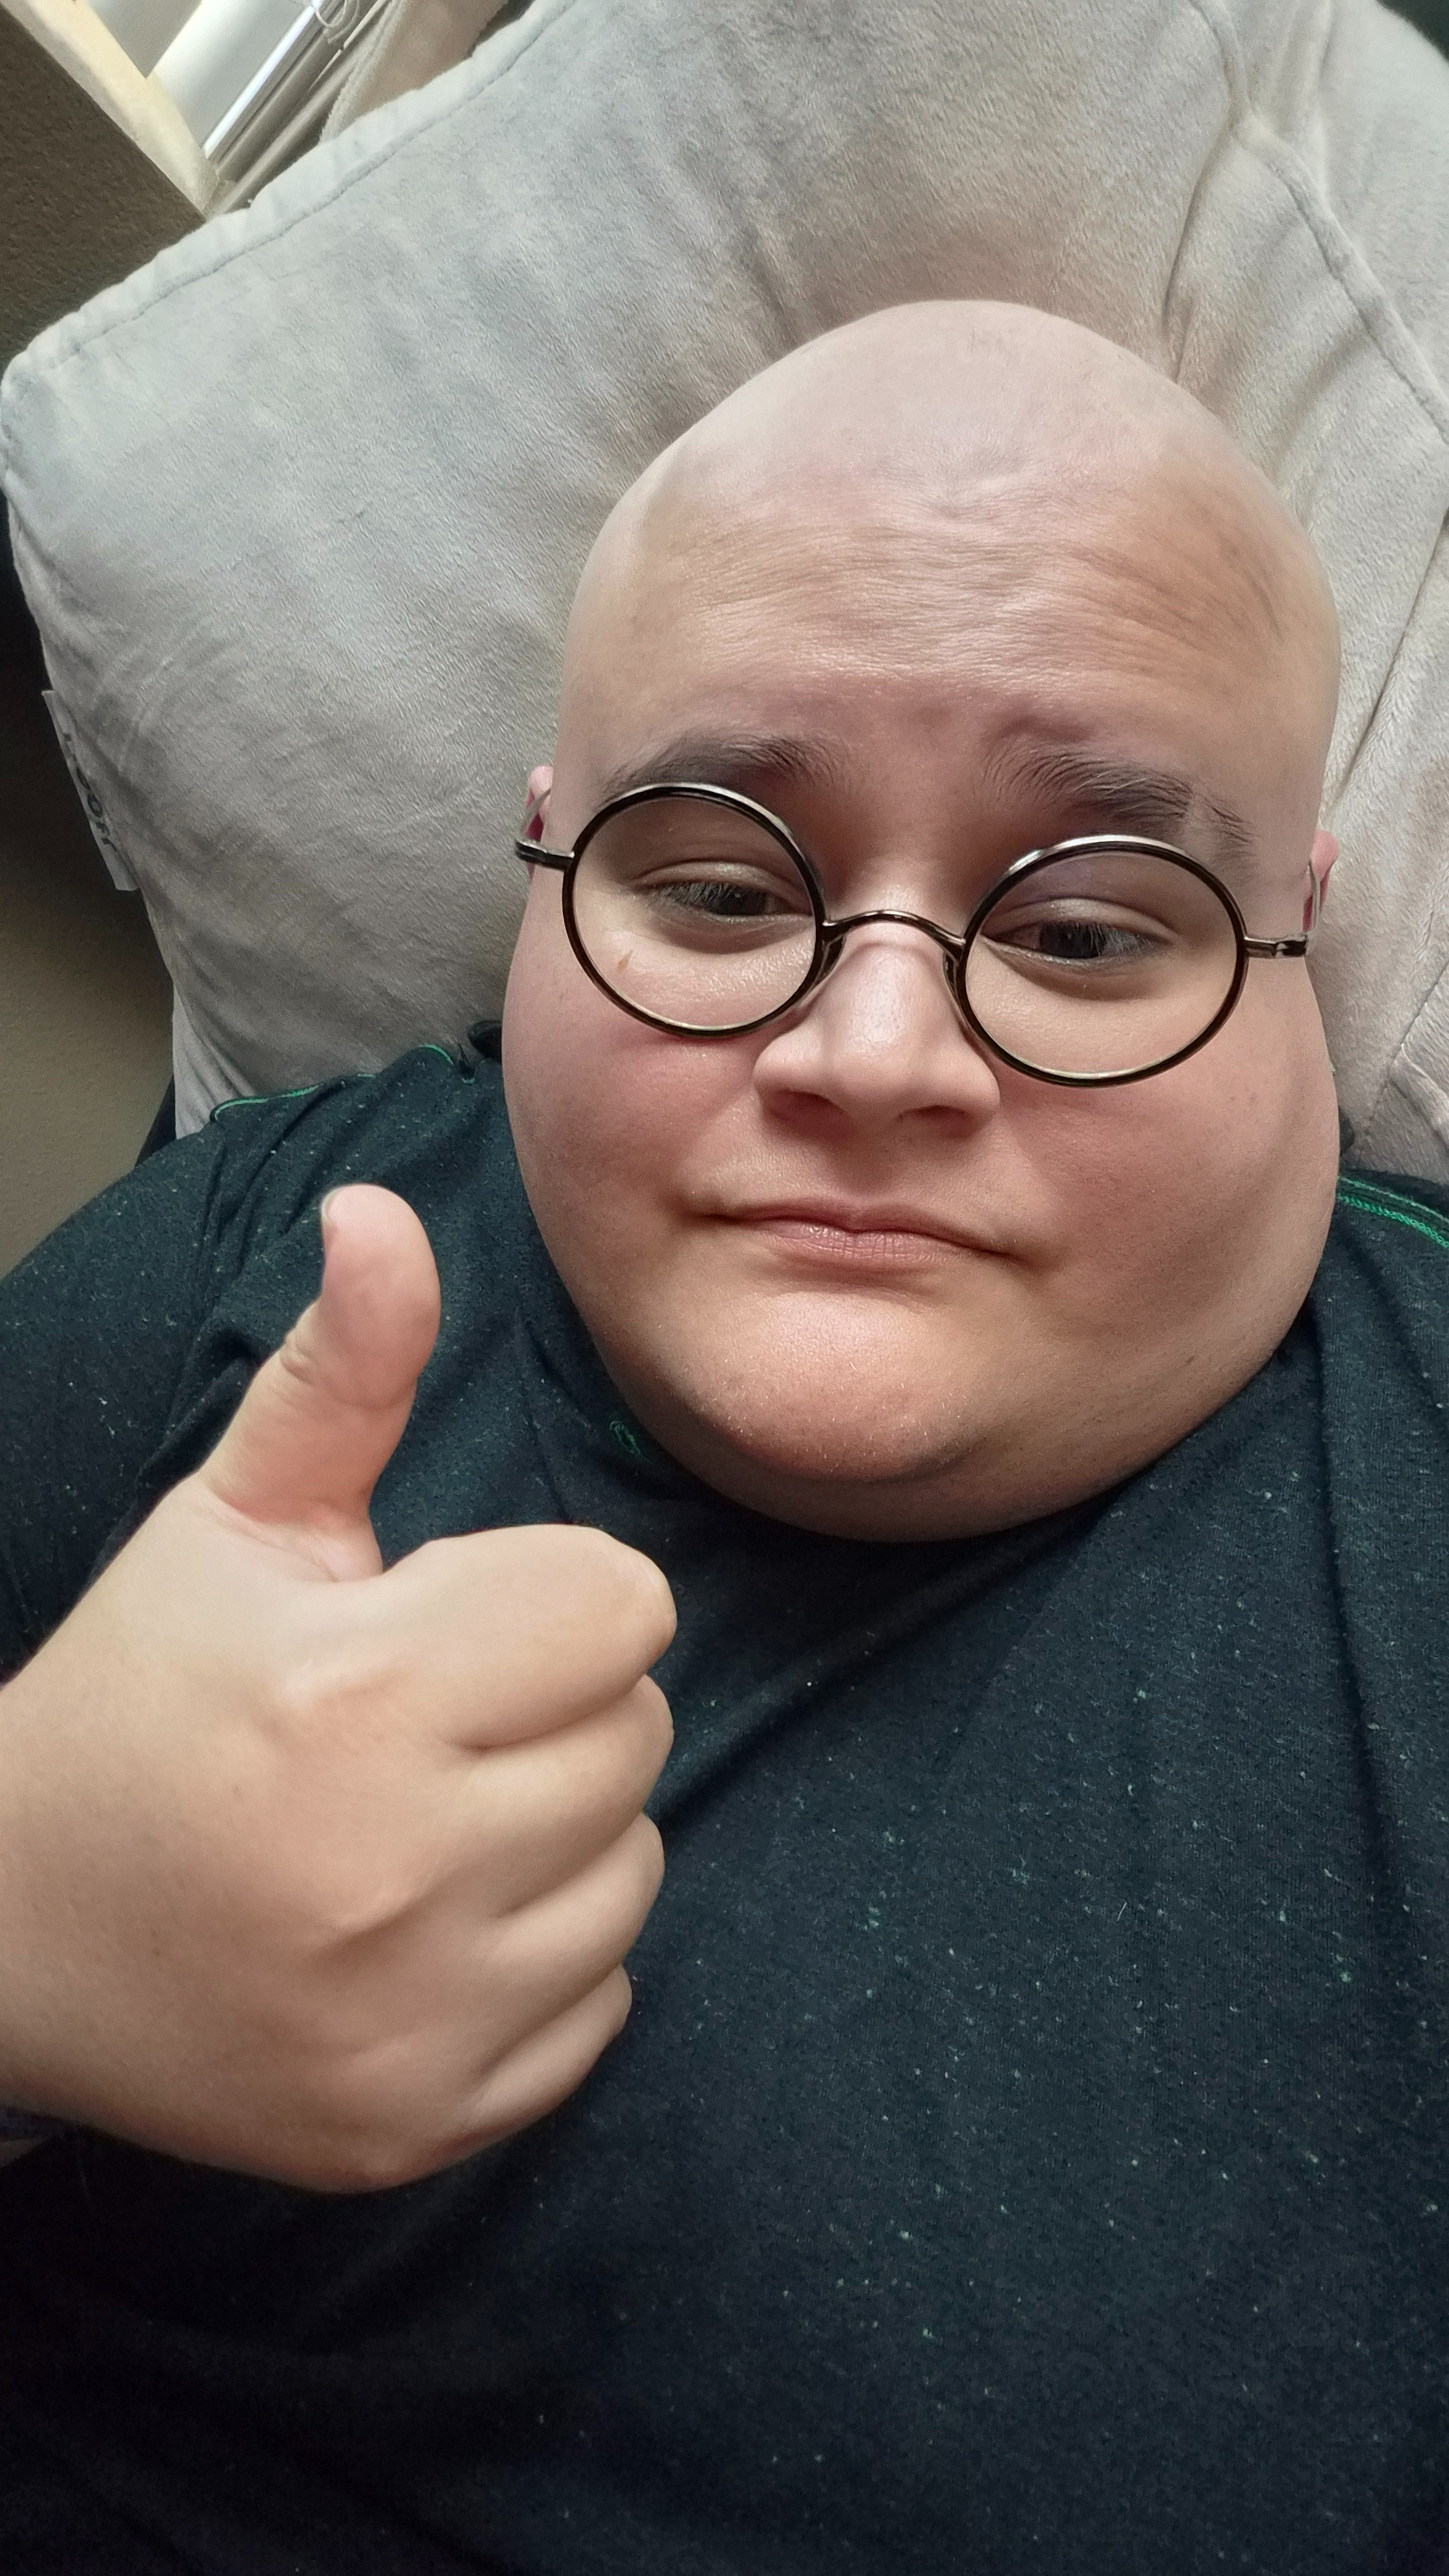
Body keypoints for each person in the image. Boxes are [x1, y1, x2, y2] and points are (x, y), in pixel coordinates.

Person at [0, 301, 1444, 2575]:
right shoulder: (260, 1243)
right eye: (720, 886)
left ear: (1300, 935)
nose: (874, 1054)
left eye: (1085, 930)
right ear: (546, 855)